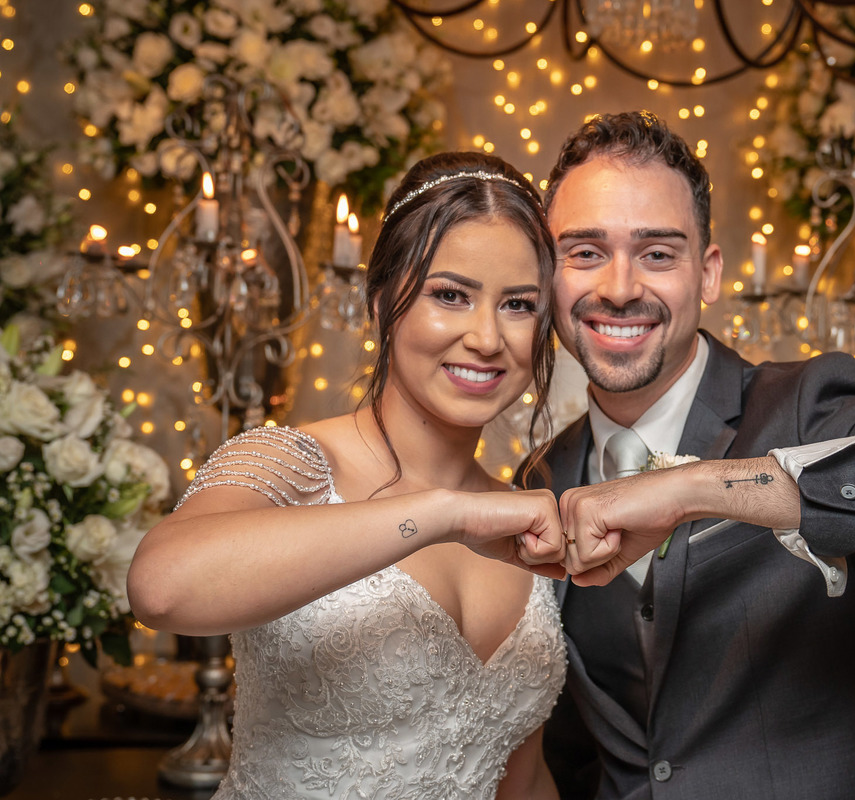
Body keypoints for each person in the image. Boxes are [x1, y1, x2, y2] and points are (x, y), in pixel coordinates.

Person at [526, 111, 855, 799]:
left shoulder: (809, 404)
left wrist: (697, 488)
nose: (621, 287)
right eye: (585, 252)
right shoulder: (540, 474)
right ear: (547, 274)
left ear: (708, 273)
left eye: (658, 254)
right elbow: (572, 748)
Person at [127, 152, 572, 800]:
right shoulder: (292, 463)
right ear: (381, 301)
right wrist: (445, 513)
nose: (486, 337)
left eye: (519, 305)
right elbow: (161, 589)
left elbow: (521, 779)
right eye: (450, 295)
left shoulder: (521, 519)